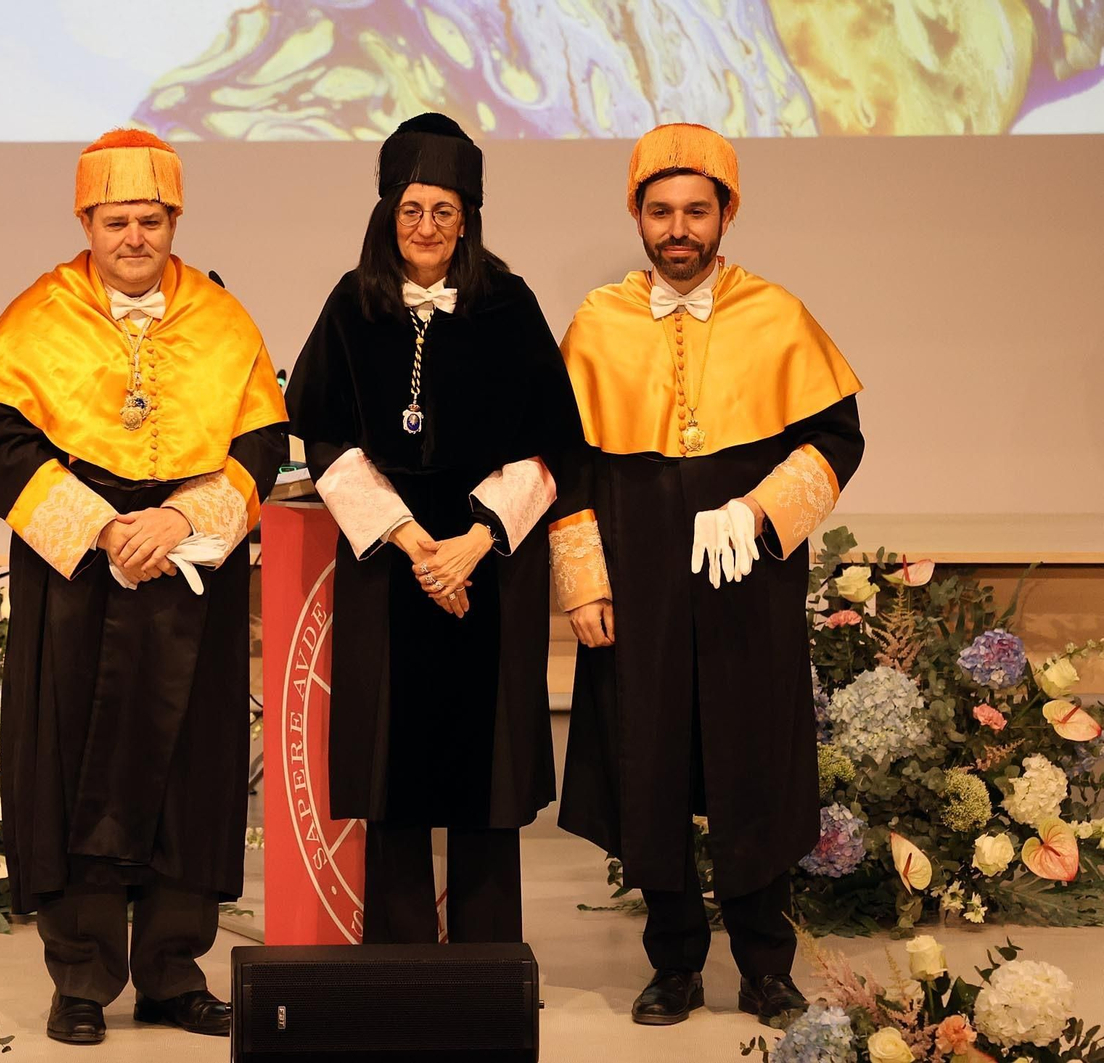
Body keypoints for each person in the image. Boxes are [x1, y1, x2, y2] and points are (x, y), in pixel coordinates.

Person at [0, 129, 287, 1046]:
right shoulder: (39, 316)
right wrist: (104, 528)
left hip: (189, 574)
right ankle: (82, 977)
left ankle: (175, 972)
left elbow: (261, 441)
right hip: (80, 586)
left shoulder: (224, 320)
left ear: (174, 220)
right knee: (75, 767)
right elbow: (2, 446)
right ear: (86, 223)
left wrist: (180, 521)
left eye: (149, 219)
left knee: (194, 770)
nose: (133, 237)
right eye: (115, 221)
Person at [549, 123, 864, 1028]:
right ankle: (674, 960)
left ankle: (767, 963)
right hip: (636, 582)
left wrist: (760, 510)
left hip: (745, 579)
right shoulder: (597, 321)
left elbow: (838, 438)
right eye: (660, 211)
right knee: (646, 766)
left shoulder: (778, 313)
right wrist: (584, 580)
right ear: (637, 217)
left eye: (695, 210)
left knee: (754, 762)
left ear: (727, 213)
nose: (677, 228)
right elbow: (566, 465)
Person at [286, 113, 581, 945]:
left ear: (469, 219)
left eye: (444, 212)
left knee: (486, 782)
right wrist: (416, 543)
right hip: (392, 568)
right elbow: (326, 437)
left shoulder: (509, 304)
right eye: (411, 211)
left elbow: (553, 442)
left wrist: (476, 539)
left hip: (491, 563)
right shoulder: (353, 305)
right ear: (387, 215)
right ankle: (400, 967)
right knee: (394, 777)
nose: (426, 229)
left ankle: (490, 967)